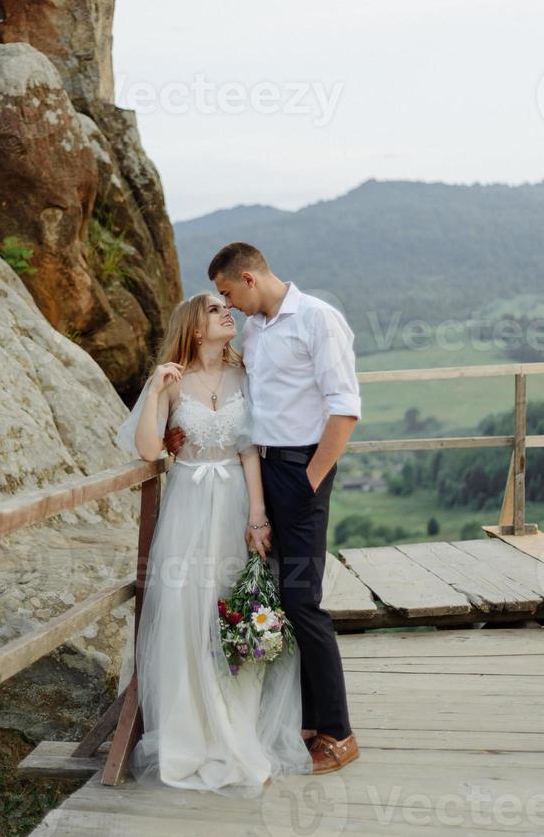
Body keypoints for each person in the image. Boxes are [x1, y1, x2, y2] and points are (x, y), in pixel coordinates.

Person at [165, 243, 362, 774]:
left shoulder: (318, 320)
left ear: (248, 278)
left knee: (303, 600)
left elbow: (344, 410)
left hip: (300, 470)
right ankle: (300, 719)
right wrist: (184, 431)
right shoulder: (255, 331)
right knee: (269, 591)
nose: (228, 305)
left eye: (228, 293)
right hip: (257, 472)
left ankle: (339, 733)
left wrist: (310, 481)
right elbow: (231, 397)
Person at [115, 292, 312, 798]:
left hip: (233, 506)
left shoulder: (243, 376)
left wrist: (258, 516)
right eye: (214, 309)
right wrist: (157, 391)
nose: (228, 312)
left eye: (229, 307)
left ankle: (236, 726)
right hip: (186, 509)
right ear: (195, 328)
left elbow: (249, 451)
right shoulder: (173, 380)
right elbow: (146, 448)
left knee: (234, 607)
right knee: (185, 610)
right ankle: (191, 730)